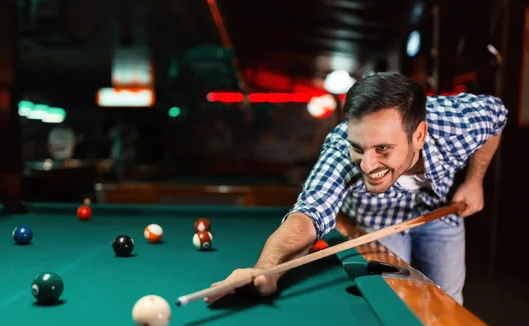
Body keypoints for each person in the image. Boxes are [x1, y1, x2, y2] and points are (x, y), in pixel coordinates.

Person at [206, 72, 507, 306]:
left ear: (419, 136)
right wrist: (266, 269)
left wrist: (473, 182)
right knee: (396, 299)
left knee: (449, 301)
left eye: (383, 148)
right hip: (379, 224)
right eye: (359, 148)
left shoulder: (458, 123)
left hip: (441, 214)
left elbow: (498, 114)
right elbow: (309, 214)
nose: (366, 165)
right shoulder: (340, 146)